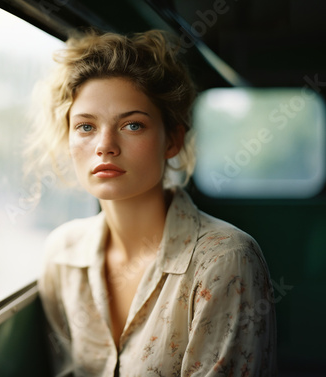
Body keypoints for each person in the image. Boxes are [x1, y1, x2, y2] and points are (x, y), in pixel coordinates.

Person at [30, 29, 277, 377]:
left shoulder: (225, 260)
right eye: (85, 127)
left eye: (132, 125)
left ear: (172, 140)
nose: (105, 145)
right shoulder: (62, 254)